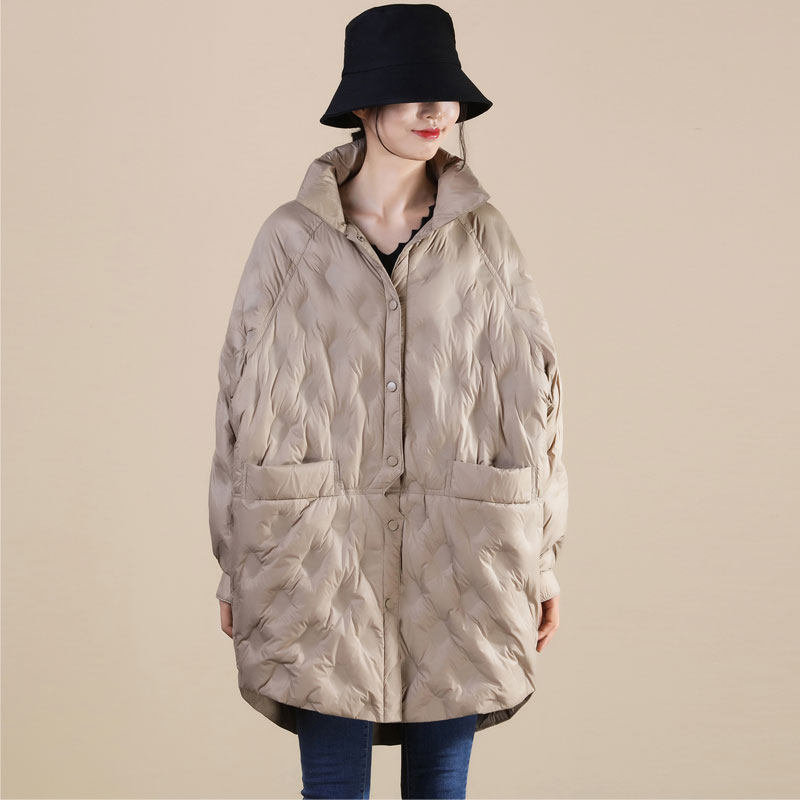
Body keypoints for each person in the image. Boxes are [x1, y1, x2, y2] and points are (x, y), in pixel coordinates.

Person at [208, 4, 569, 798]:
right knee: (333, 787)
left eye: (446, 94)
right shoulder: (290, 239)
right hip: (315, 551)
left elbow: (537, 399)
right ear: (365, 105)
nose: (437, 110)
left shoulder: (485, 238)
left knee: (440, 788)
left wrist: (541, 557)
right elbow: (239, 402)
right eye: (414, 93)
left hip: (462, 547)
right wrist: (236, 564)